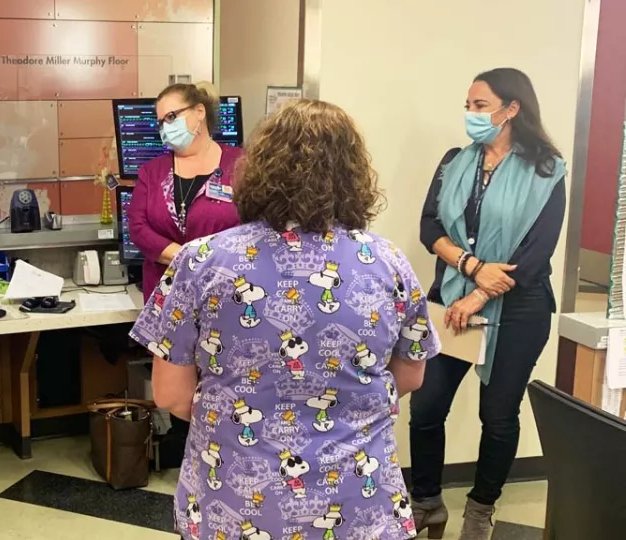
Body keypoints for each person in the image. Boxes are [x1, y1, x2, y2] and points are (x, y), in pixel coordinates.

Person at [130, 99, 438, 540]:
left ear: (258, 171)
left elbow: (170, 396)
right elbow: (410, 377)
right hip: (358, 512)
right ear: (353, 175)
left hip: (232, 511)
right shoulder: (388, 264)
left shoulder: (201, 263)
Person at [411, 68, 566, 540]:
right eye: (469, 105)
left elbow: (535, 257)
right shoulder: (455, 162)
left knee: (497, 416)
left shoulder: (546, 170)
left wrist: (480, 292)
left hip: (519, 310)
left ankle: (480, 509)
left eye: (480, 106)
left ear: (511, 108)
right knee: (426, 407)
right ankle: (426, 502)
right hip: (453, 302)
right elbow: (429, 228)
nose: (471, 114)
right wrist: (473, 269)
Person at [128, 82, 243, 466]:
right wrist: (188, 257)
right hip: (168, 296)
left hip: (229, 299)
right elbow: (140, 229)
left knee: (222, 379)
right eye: (161, 121)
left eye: (172, 116)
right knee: (175, 385)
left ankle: (225, 451)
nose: (165, 127)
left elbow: (254, 226)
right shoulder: (152, 171)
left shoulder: (241, 166)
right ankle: (186, 459)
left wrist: (206, 262)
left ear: (199, 113)